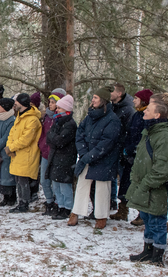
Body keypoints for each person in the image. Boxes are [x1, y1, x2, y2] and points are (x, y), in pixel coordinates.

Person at [126, 93, 168, 265]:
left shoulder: (163, 136)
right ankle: (147, 251)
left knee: (156, 220)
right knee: (147, 219)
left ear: (157, 115)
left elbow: (163, 167)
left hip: (154, 186)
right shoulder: (149, 131)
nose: (144, 111)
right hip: (144, 185)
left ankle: (157, 255)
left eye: (148, 109)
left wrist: (147, 183)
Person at [68, 87, 121, 229]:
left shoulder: (112, 120)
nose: (92, 100)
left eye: (96, 98)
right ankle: (76, 212)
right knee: (82, 184)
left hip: (104, 159)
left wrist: (91, 155)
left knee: (103, 188)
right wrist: (84, 152)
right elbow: (80, 134)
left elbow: (107, 142)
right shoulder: (89, 116)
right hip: (87, 156)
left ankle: (101, 216)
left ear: (103, 100)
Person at [114, 88, 152, 222]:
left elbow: (141, 137)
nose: (134, 100)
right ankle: (123, 210)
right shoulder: (136, 115)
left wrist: (132, 149)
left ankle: (142, 214)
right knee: (126, 184)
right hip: (129, 156)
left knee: (139, 185)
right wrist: (126, 148)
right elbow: (129, 133)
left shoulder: (146, 116)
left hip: (139, 156)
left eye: (136, 98)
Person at [5, 93, 42, 213]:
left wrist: (11, 147)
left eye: (17, 101)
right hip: (17, 153)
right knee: (18, 179)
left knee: (23, 180)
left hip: (26, 154)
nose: (14, 104)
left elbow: (26, 139)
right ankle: (21, 202)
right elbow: (12, 133)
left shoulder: (32, 120)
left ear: (23, 103)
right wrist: (9, 146)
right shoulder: (20, 117)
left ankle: (24, 203)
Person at [44, 94, 77, 220]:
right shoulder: (57, 122)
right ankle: (60, 205)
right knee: (56, 185)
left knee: (64, 185)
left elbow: (59, 141)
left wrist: (53, 138)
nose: (56, 110)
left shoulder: (70, 124)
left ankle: (67, 208)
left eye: (59, 108)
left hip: (65, 159)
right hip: (56, 157)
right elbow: (49, 137)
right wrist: (54, 138)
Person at [39, 88, 66, 214]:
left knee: (55, 181)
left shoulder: (61, 118)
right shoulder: (46, 117)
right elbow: (44, 134)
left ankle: (57, 203)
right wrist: (41, 145)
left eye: (53, 102)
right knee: (44, 180)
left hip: (55, 153)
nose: (50, 104)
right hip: (45, 152)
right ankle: (49, 201)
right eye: (49, 102)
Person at [110, 83, 135, 212]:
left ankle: (124, 209)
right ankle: (113, 201)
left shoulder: (128, 109)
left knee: (125, 179)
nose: (110, 93)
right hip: (113, 148)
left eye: (112, 91)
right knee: (112, 177)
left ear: (119, 94)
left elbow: (129, 131)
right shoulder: (113, 107)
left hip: (123, 150)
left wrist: (125, 149)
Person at [0, 97, 17, 206]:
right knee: (0, 175)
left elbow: (6, 137)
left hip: (6, 152)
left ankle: (11, 197)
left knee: (7, 176)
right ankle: (5, 197)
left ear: (4, 107)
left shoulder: (12, 120)